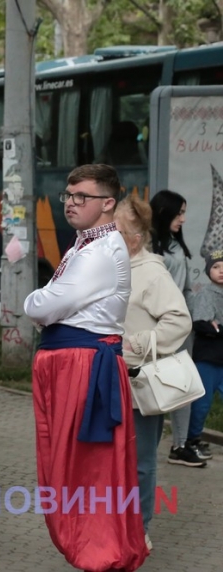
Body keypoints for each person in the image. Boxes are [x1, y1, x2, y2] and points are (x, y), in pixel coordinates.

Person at [23, 164, 147, 572]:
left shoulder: (99, 251)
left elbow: (47, 305)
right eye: (69, 196)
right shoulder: (86, 245)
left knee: (84, 467)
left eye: (82, 197)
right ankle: (98, 548)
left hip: (83, 366)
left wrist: (35, 301)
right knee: (76, 466)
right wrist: (45, 300)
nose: (71, 203)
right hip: (74, 363)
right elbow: (55, 301)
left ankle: (100, 551)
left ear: (107, 203)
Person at [117, 194, 193, 551]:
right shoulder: (105, 265)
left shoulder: (151, 270)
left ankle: (138, 529)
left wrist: (138, 344)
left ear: (135, 235)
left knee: (141, 464)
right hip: (104, 381)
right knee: (109, 462)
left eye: (115, 229)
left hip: (139, 384)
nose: (108, 236)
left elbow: (180, 320)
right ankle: (111, 525)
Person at [149, 189, 208, 466]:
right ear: (164, 212)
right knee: (155, 387)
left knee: (183, 385)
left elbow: (185, 288)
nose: (183, 218)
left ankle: (180, 445)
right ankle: (150, 444)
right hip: (158, 328)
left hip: (183, 327)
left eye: (184, 213)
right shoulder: (149, 245)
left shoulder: (174, 243)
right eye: (179, 212)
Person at [186, 249, 223, 458]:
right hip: (207, 359)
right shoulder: (206, 294)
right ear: (209, 271)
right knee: (202, 404)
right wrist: (214, 329)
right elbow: (202, 324)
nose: (221, 271)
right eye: (216, 267)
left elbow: (215, 328)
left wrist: (217, 328)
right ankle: (192, 439)